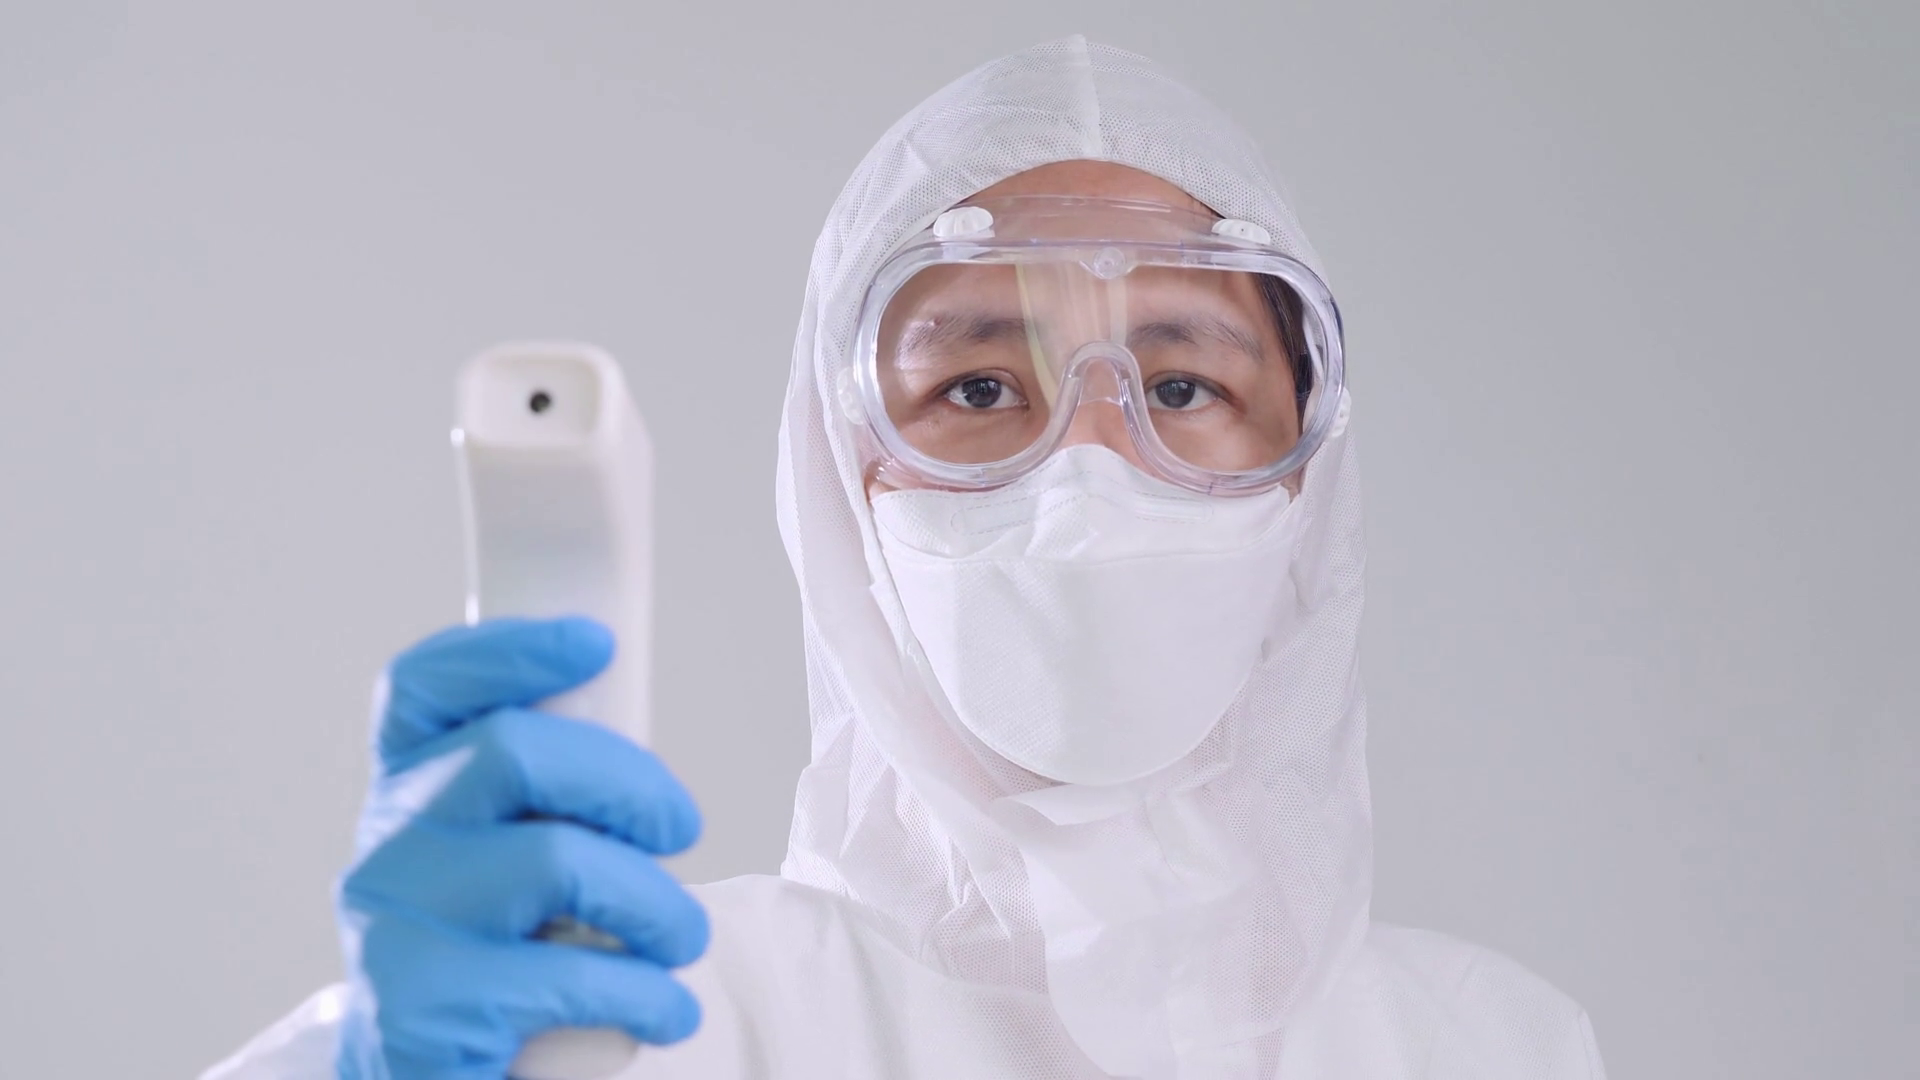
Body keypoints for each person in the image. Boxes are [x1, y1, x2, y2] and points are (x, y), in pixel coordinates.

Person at [206, 36, 1606, 1080]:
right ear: (839, 482)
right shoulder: (636, 1025)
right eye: (982, 389)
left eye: (1182, 388)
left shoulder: (1491, 1049)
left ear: (1309, 478)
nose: (1086, 473)